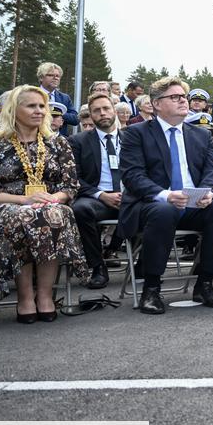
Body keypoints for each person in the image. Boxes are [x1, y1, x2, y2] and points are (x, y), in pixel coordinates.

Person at [119, 76, 213, 314]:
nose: (183, 100)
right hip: (152, 204)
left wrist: (209, 192)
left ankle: (204, 283)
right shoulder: (135, 133)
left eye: (184, 96)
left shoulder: (200, 135)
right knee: (164, 210)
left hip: (194, 204)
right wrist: (164, 194)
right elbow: (132, 176)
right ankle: (151, 288)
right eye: (175, 97)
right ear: (157, 103)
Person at [0, 85, 86, 321]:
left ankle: (44, 296)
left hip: (49, 203)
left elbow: (70, 185)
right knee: (22, 216)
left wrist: (53, 199)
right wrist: (24, 200)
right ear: (14, 109)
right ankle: (24, 296)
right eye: (31, 105)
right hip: (6, 204)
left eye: (42, 106)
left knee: (54, 214)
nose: (40, 111)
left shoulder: (58, 143)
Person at [69, 92, 126, 290]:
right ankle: (97, 267)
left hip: (130, 197)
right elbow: (74, 178)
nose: (102, 113)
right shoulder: (78, 141)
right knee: (80, 209)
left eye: (106, 108)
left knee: (157, 208)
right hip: (97, 198)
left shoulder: (132, 138)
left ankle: (145, 264)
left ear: (114, 111)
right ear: (91, 115)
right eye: (97, 110)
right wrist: (101, 195)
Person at [37, 62, 78, 136]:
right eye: (50, 75)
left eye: (57, 76)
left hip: (59, 141)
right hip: (36, 138)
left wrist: (58, 114)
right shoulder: (32, 95)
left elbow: (75, 119)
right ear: (41, 78)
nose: (55, 78)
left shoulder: (64, 98)